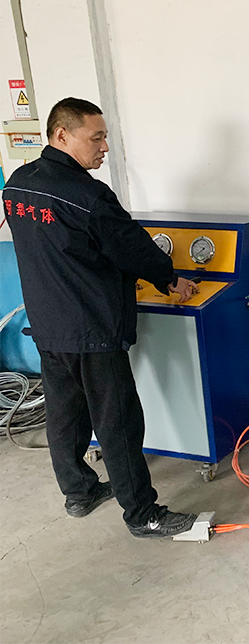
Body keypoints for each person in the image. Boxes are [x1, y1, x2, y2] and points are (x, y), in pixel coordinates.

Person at [2, 97, 197, 538]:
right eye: (96, 138)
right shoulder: (88, 196)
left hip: (47, 326)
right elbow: (131, 247)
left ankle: (79, 492)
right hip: (91, 328)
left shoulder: (17, 185)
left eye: (105, 137)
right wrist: (169, 278)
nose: (104, 147)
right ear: (62, 135)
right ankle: (142, 514)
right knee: (118, 421)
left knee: (65, 415)